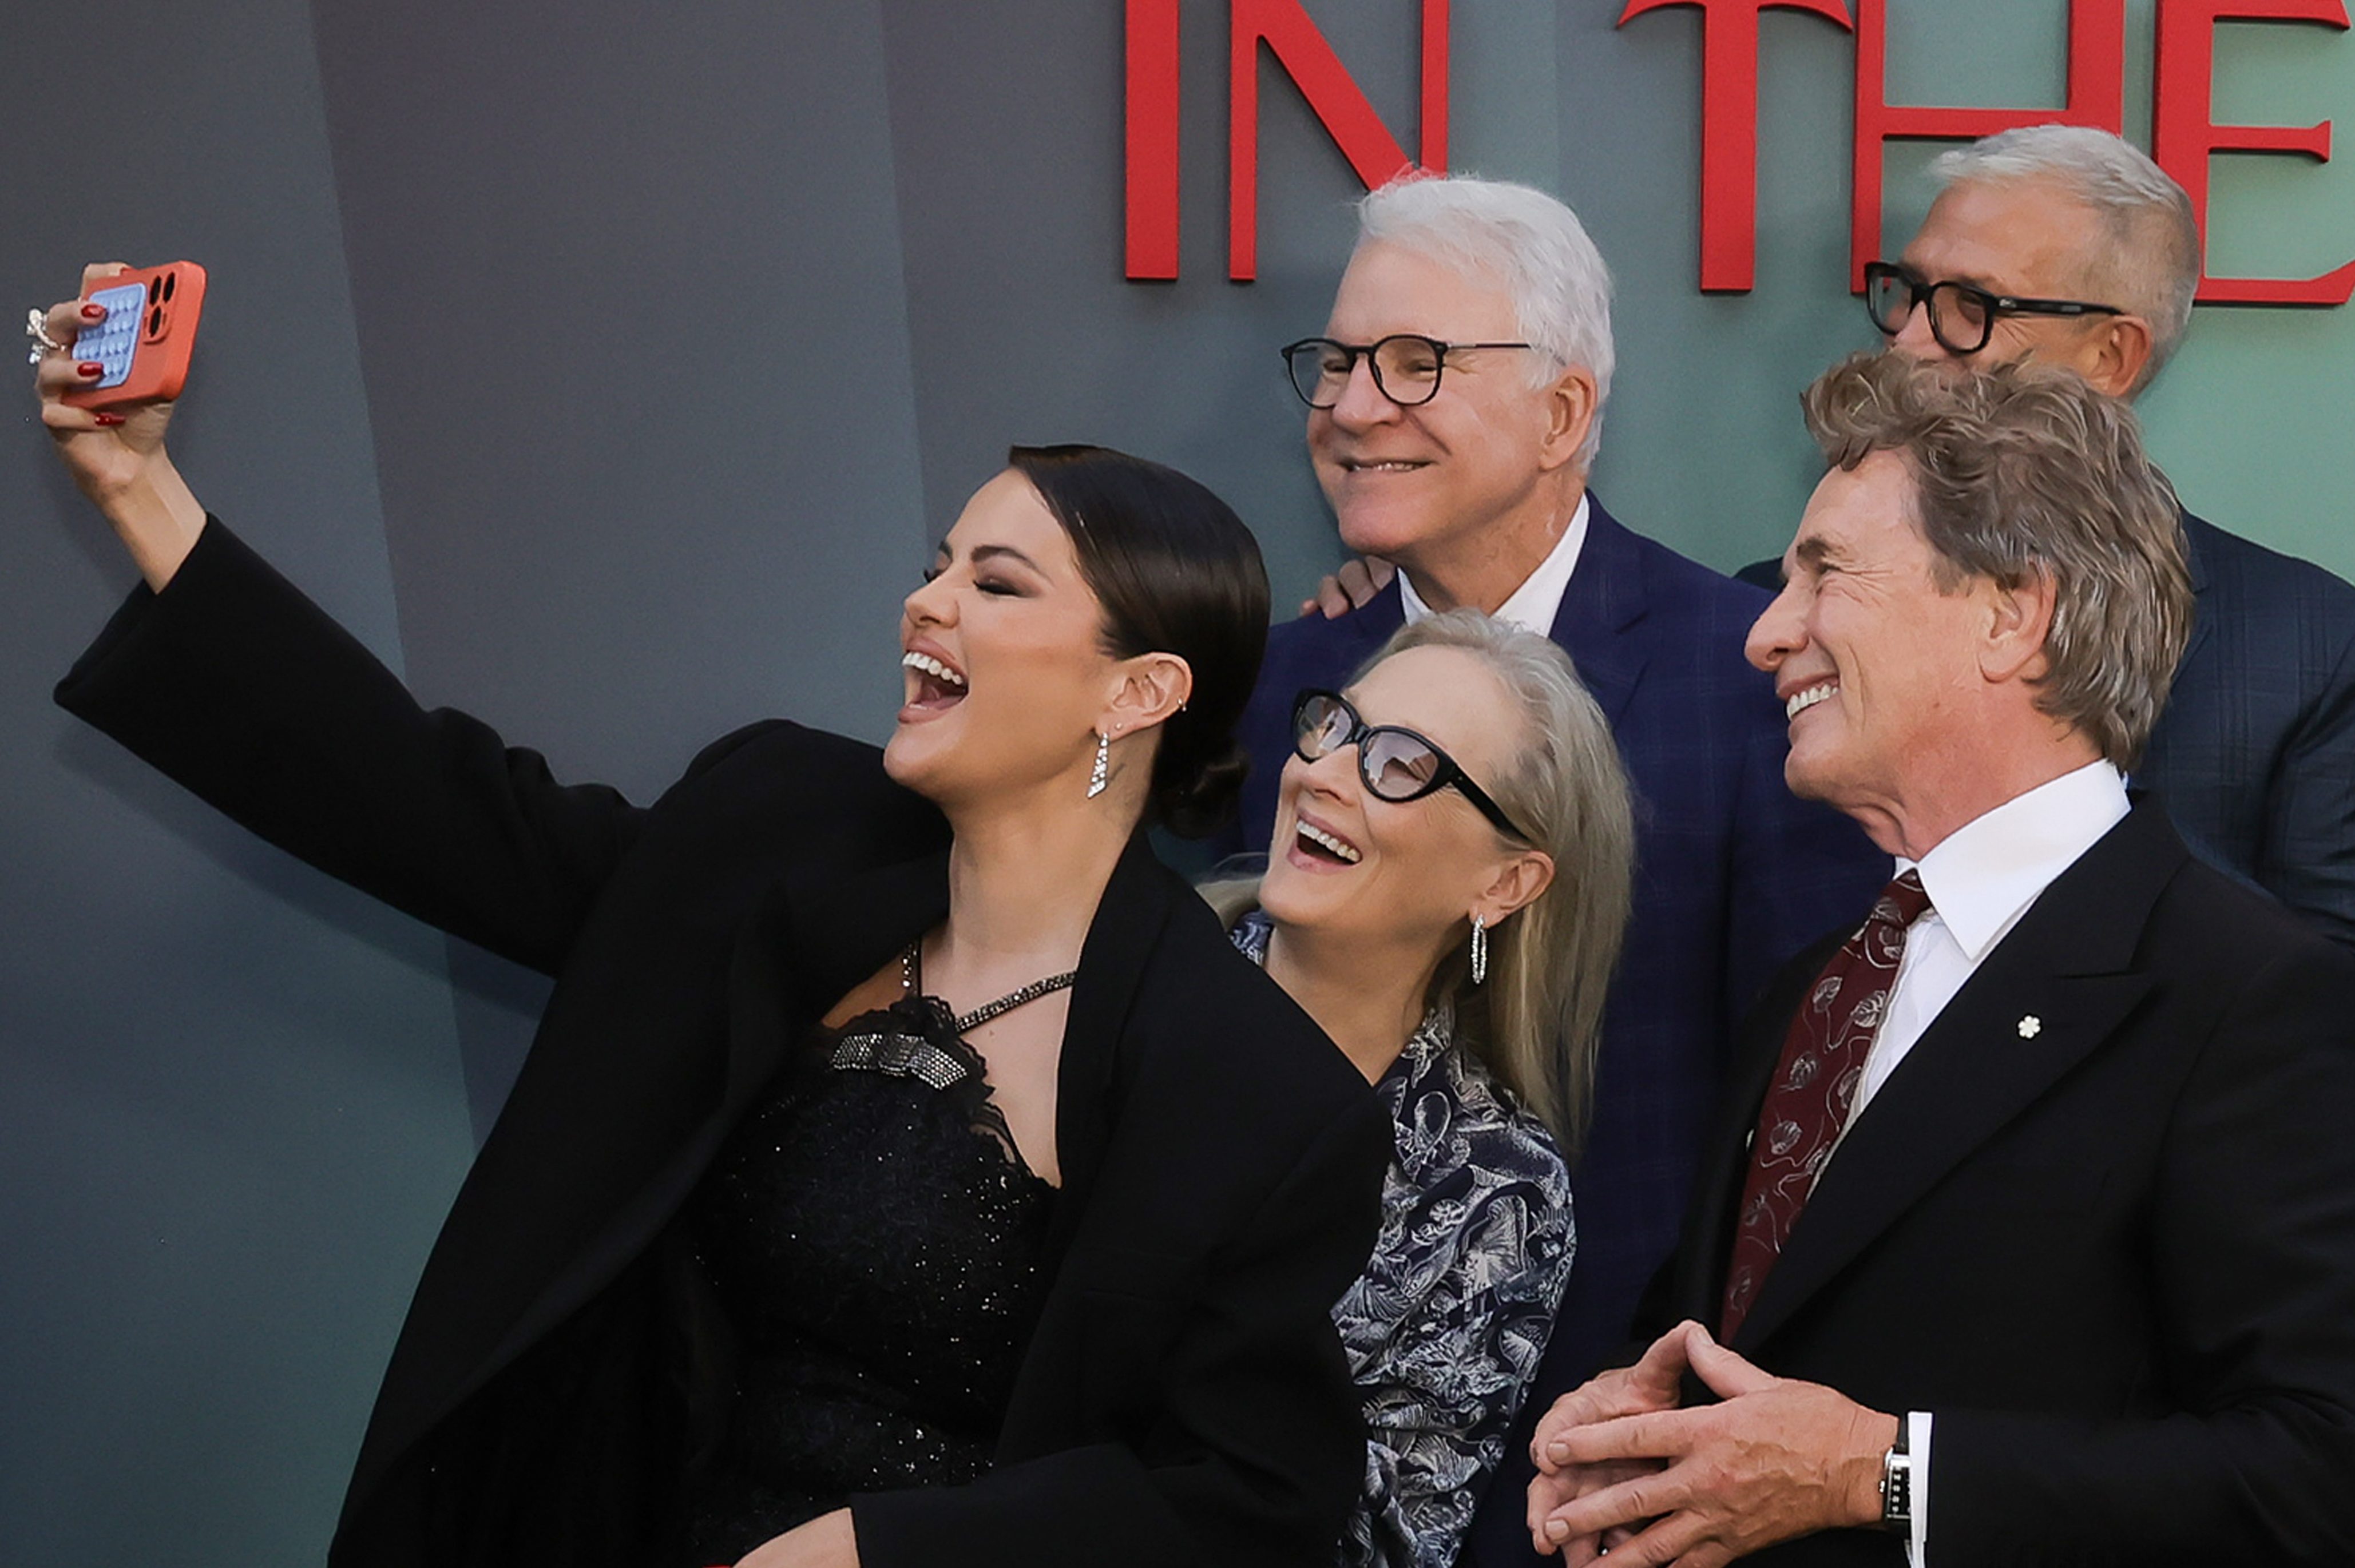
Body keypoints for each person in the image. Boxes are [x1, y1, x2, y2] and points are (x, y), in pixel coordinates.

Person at [32, 266, 1392, 1568]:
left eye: (998, 583)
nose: (926, 601)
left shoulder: (1252, 1091)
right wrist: (141, 491)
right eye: (939, 563)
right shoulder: (784, 824)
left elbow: (1252, 1498)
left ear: (1137, 694)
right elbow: (442, 811)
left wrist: (899, 1553)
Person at [1524, 351, 2355, 1565]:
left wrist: (1888, 1476)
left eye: (1825, 575)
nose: (1768, 632)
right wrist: (1631, 1438)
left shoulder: (2248, 999)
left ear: (2014, 613)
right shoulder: (1816, 984)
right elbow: (1746, 1362)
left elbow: (2317, 1475)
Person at [1224, 173, 1892, 1558]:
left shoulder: (1752, 672)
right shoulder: (1287, 680)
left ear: (1565, 412)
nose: (1352, 408)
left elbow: (1804, 1114)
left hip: (1613, 1466)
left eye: (1417, 366)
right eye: (1339, 362)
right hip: (1263, 1447)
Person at [1736, 124, 2355, 947]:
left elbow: (2319, 1018)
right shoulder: (1762, 622)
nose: (1911, 342)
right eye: (1910, 293)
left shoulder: (2306, 649)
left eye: (1973, 308)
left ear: (2111, 355)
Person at [1203, 610, 1634, 1568]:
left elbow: (1385, 1543)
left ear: (1507, 882)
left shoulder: (1495, 1190)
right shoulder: (1120, 990)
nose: (1320, 772)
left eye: (1398, 765)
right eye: (1334, 727)